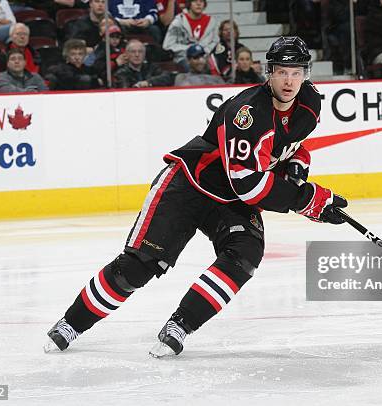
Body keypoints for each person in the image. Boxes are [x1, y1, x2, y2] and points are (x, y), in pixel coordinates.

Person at [43, 36, 347, 358]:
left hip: (228, 199)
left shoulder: (310, 103)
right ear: (268, 73)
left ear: (306, 74)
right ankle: (71, 323)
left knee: (244, 254)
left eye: (296, 72)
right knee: (138, 267)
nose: (289, 80)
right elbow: (247, 183)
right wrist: (307, 199)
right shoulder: (248, 114)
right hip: (189, 185)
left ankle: (180, 325)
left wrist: (298, 169)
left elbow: (289, 145)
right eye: (282, 71)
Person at [163, 0, 218, 71]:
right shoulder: (179, 21)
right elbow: (168, 45)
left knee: (214, 67)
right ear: (189, 4)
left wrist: (204, 51)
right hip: (185, 57)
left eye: (201, 1)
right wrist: (191, 49)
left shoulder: (211, 21)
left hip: (205, 56)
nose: (198, 4)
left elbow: (215, 41)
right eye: (195, 1)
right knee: (191, 68)